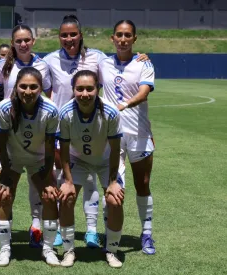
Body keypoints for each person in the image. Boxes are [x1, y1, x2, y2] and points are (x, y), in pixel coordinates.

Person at [43, 14, 148, 247]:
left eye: (73, 34)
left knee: (91, 180)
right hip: (64, 128)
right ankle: (62, 230)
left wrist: (139, 58)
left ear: (80, 35)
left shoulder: (98, 58)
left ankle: (91, 231)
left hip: (94, 127)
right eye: (64, 35)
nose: (69, 39)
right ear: (59, 37)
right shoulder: (48, 60)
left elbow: (117, 68)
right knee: (65, 179)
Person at [0, 24, 51, 248]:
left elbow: (46, 97)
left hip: (35, 134)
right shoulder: (3, 64)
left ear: (33, 41)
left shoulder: (43, 65)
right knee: (5, 186)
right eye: (18, 40)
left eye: (27, 40)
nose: (23, 44)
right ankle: (6, 233)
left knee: (36, 184)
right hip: (8, 133)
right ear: (13, 42)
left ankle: (36, 227)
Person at [99, 19, 156, 255]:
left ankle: (147, 234)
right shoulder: (102, 64)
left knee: (142, 185)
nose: (123, 39)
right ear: (112, 38)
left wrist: (122, 106)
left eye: (127, 35)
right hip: (112, 137)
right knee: (111, 187)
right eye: (119, 35)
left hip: (140, 135)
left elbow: (144, 93)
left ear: (134, 39)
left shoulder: (145, 63)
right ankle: (108, 235)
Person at [58, 70, 124, 268]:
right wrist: (68, 182)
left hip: (105, 161)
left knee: (114, 200)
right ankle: (69, 250)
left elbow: (115, 150)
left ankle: (111, 251)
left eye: (89, 89)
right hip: (78, 159)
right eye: (79, 89)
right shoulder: (66, 113)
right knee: (67, 198)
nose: (84, 94)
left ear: (98, 89)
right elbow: (64, 150)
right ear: (73, 90)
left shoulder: (111, 112)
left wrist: (112, 182)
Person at [0, 67, 60, 266]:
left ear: (41, 88)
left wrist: (48, 178)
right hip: (11, 156)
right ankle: (5, 248)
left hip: (38, 158)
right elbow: (1, 143)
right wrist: (5, 174)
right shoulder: (5, 108)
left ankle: (48, 249)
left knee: (49, 197)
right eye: (23, 86)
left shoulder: (50, 110)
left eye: (34, 87)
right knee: (5, 195)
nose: (28, 91)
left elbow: (50, 149)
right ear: (16, 87)